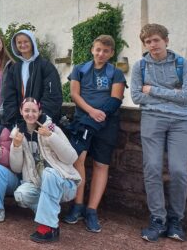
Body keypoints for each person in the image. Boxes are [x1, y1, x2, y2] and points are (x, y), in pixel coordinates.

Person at [131, 24, 187, 242]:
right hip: (152, 119)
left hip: (181, 121)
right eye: (148, 41)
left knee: (179, 170)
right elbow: (136, 97)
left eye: (156, 40)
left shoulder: (183, 65)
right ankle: (157, 219)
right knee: (152, 168)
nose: (152, 45)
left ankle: (176, 220)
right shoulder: (140, 67)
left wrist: (153, 90)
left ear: (166, 41)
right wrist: (173, 93)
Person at [63, 35, 126, 233]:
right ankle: (78, 205)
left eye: (105, 51)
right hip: (83, 121)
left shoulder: (116, 73)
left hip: (107, 123)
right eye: (98, 49)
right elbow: (74, 94)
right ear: (92, 49)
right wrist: (91, 112)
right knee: (78, 159)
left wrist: (101, 115)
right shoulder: (79, 69)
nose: (101, 54)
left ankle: (91, 210)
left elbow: (116, 98)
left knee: (100, 164)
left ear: (111, 53)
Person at [10, 98, 80, 243]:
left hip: (65, 184)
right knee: (21, 195)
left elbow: (72, 158)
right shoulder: (18, 132)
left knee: (49, 173)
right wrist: (16, 147)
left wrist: (51, 137)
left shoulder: (52, 128)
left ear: (40, 111)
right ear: (21, 112)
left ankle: (47, 227)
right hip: (39, 184)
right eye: (27, 110)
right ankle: (51, 219)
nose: (30, 114)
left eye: (34, 111)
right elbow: (16, 168)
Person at [2, 30, 62, 126]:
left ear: (32, 42)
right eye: (19, 42)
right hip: (20, 120)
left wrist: (42, 115)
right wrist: (12, 117)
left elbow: (52, 93)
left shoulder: (45, 66)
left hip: (41, 120)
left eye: (26, 41)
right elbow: (9, 95)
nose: (23, 45)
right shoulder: (14, 69)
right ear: (15, 45)